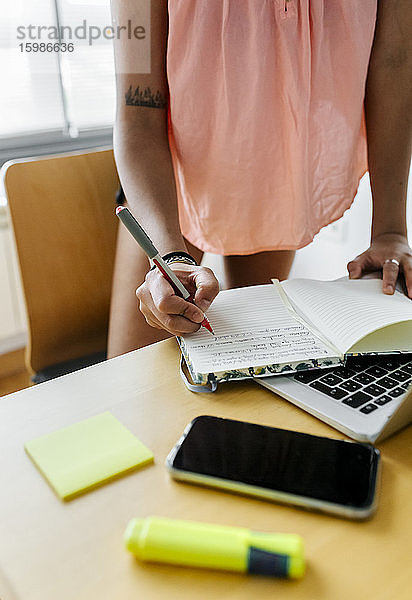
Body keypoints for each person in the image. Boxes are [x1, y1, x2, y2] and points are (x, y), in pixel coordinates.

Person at [108, 0, 412, 359]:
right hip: (167, 176)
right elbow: (138, 113)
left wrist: (390, 232)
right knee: (138, 383)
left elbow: (395, 62)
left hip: (274, 178)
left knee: (253, 368)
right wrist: (170, 255)